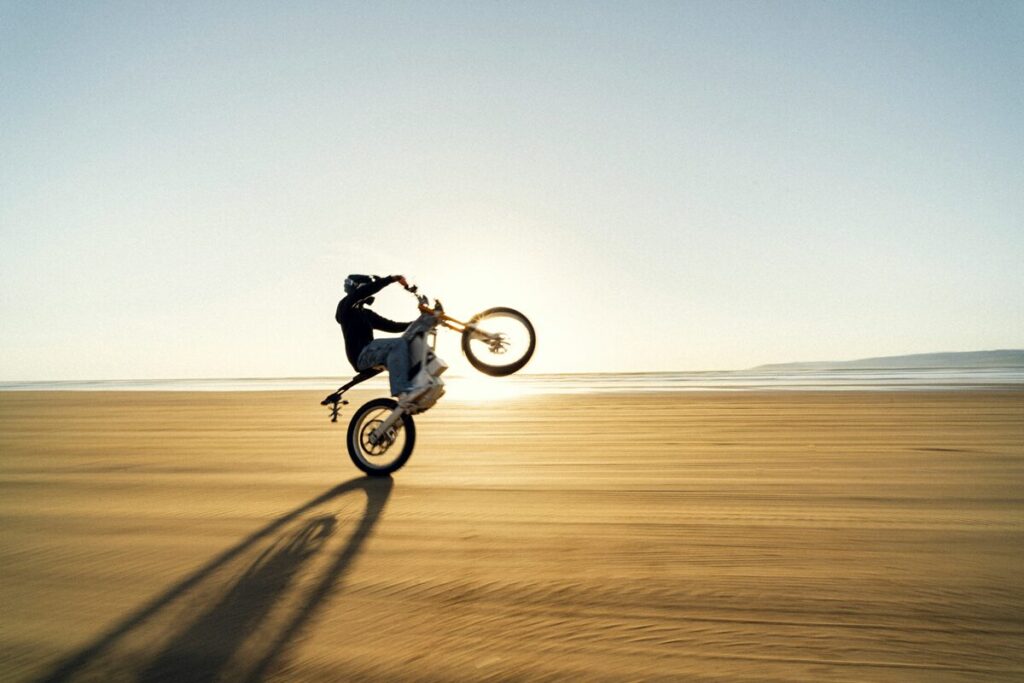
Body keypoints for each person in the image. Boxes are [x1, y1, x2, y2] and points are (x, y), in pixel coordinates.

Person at [336, 274, 427, 402]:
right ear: (357, 288)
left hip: (371, 353)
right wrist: (391, 279)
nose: (367, 292)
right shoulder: (345, 307)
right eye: (365, 288)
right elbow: (362, 293)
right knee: (398, 344)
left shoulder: (366, 314)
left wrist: (419, 322)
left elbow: (393, 326)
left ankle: (417, 387)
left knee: (408, 345)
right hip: (361, 356)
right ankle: (402, 392)